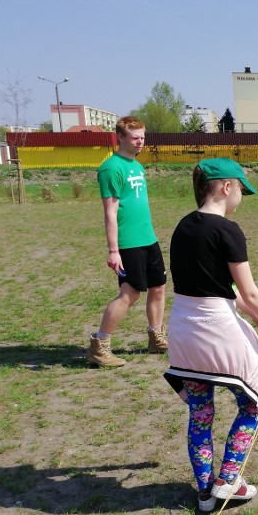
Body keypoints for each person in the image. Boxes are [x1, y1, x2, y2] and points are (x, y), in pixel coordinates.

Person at [163, 158, 258, 513]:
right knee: (253, 402)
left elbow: (218, 289)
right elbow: (250, 291)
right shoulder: (229, 230)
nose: (241, 196)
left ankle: (204, 492)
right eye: (241, 188)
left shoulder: (182, 227)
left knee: (200, 413)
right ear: (226, 187)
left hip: (183, 333)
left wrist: (257, 318)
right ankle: (229, 479)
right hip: (217, 334)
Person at [87, 116, 167, 367]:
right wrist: (114, 250)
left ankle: (156, 337)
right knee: (130, 294)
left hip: (148, 239)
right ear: (120, 138)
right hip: (128, 243)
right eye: (135, 137)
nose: (140, 141)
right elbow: (109, 213)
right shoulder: (111, 168)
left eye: (142, 136)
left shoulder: (137, 166)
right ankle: (100, 345)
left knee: (158, 287)